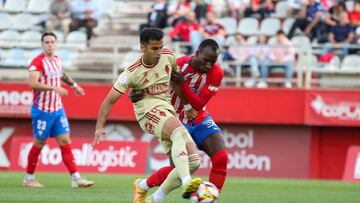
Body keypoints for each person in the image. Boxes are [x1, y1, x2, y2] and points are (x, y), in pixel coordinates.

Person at [92, 28, 201, 201]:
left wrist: (187, 105)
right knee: (179, 134)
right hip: (147, 113)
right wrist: (99, 127)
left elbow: (176, 80)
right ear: (142, 48)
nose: (159, 52)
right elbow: (108, 101)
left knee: (194, 161)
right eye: (154, 49)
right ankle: (188, 183)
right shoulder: (131, 72)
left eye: (161, 47)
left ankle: (149, 194)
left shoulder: (169, 55)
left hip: (166, 109)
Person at [131, 39, 228, 203]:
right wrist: (135, 92)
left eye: (213, 62)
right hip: (173, 118)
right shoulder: (178, 64)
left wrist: (182, 83)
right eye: (205, 60)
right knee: (178, 169)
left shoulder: (216, 73)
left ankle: (211, 197)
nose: (209, 65)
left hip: (198, 117)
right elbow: (149, 78)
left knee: (221, 158)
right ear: (196, 53)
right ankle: (144, 187)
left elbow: (198, 104)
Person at [23, 32, 94, 188]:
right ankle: (29, 178)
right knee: (39, 142)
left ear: (56, 44)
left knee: (65, 141)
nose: (50, 44)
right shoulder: (37, 62)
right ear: (42, 44)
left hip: (58, 109)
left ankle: (76, 177)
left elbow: (61, 74)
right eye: (47, 42)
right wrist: (54, 88)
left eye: (52, 42)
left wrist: (74, 85)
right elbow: (33, 84)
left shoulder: (57, 59)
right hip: (42, 110)